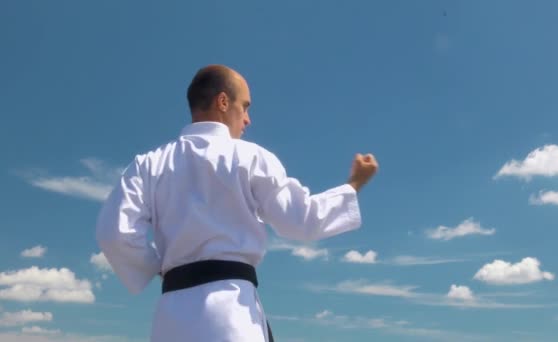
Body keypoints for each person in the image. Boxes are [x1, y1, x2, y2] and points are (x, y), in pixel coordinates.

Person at [95, 64, 378, 342]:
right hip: (231, 313)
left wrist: (156, 268)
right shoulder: (250, 158)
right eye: (245, 106)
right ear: (222, 102)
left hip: (171, 316)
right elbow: (302, 221)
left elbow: (113, 233)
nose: (248, 119)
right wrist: (354, 184)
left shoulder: (148, 164)